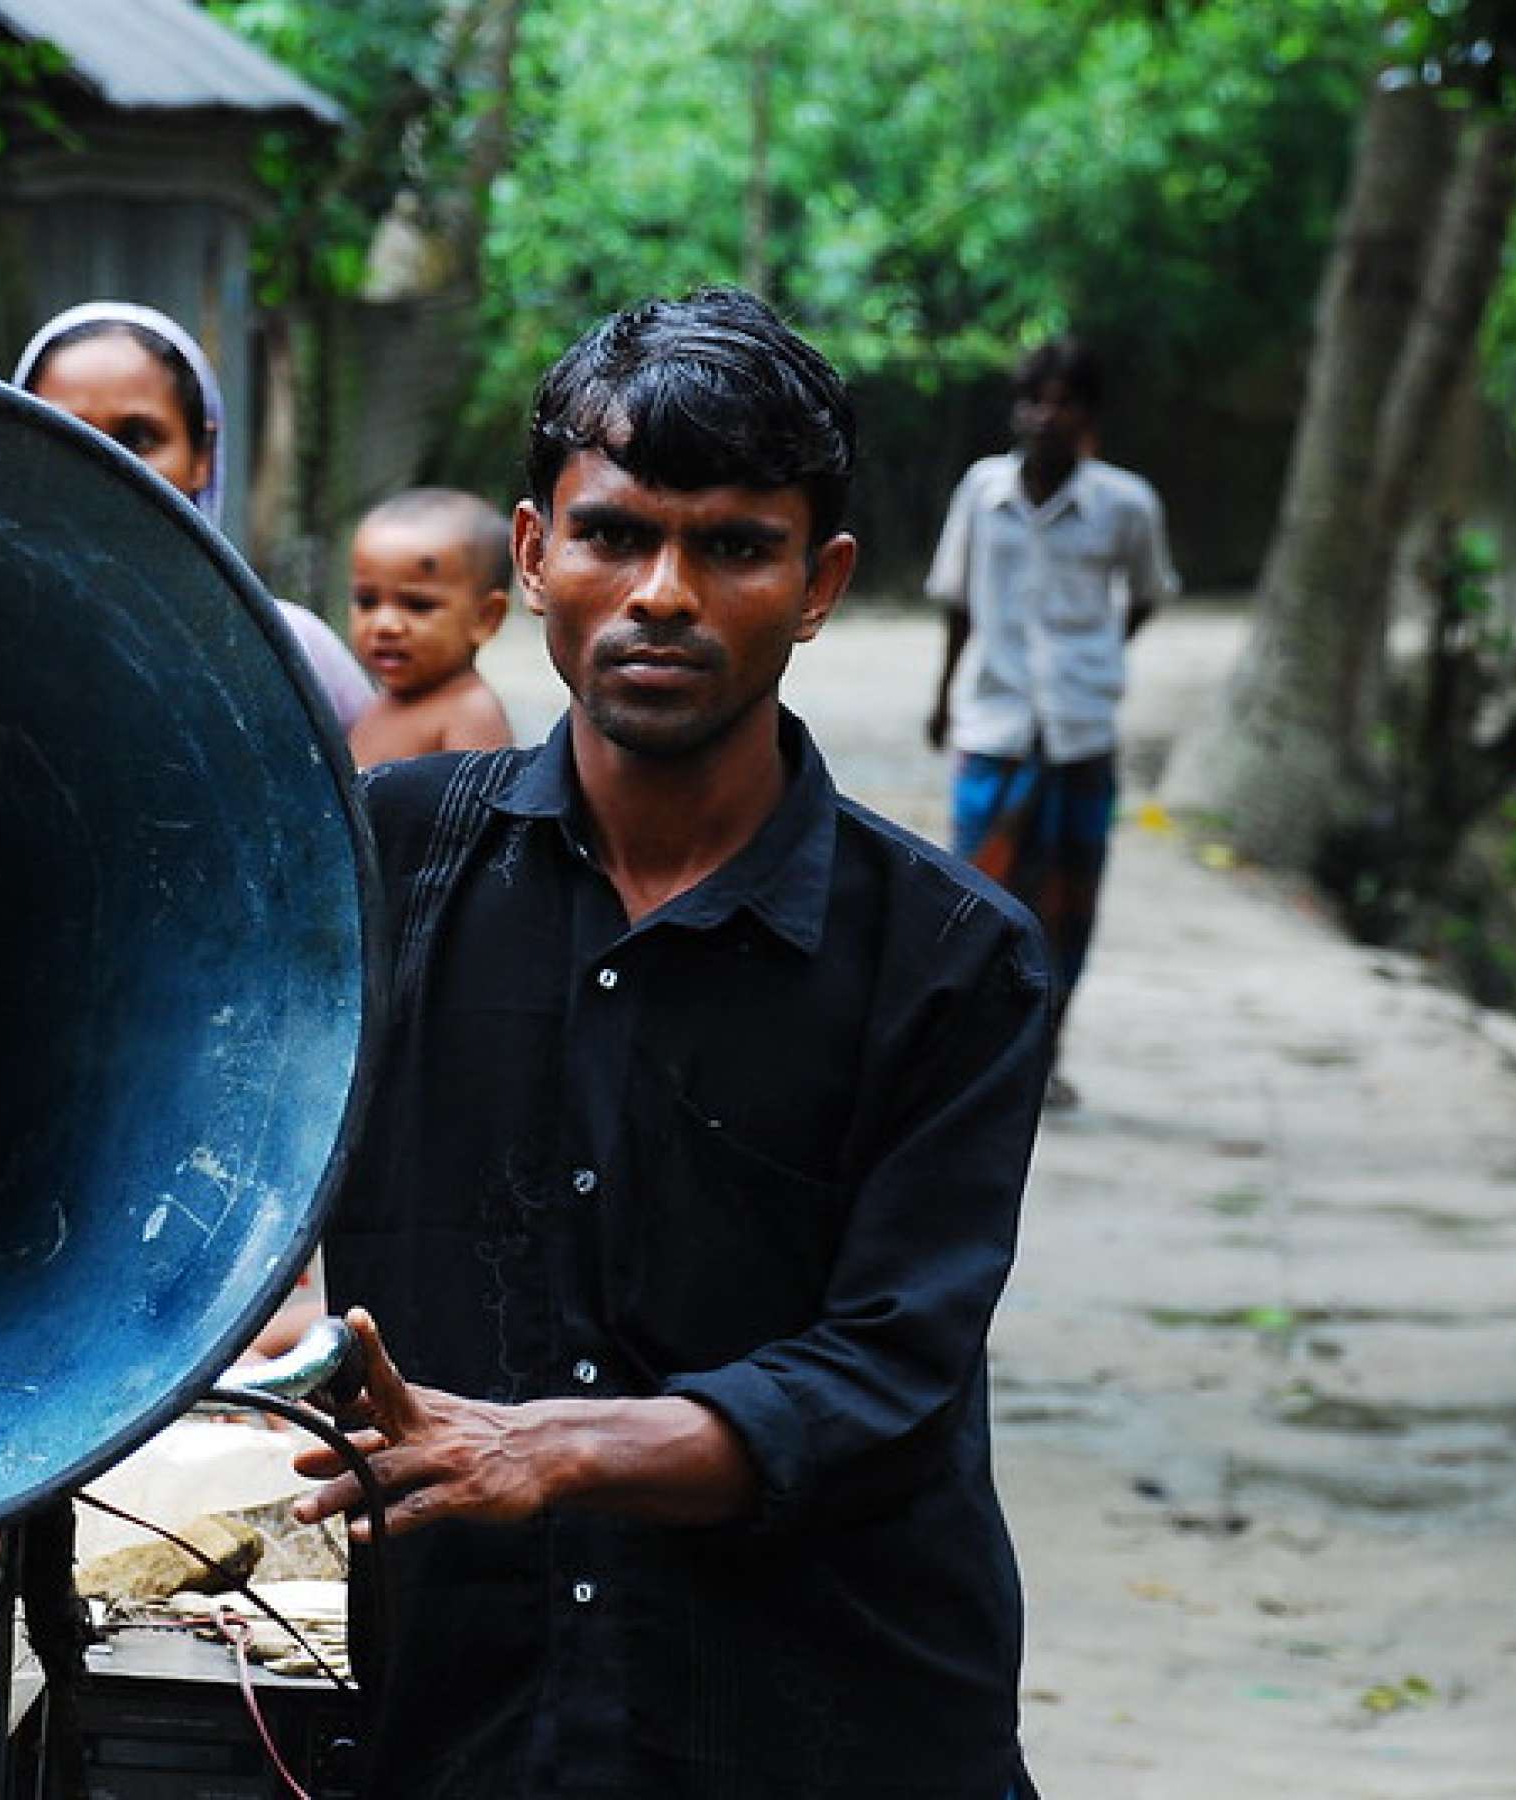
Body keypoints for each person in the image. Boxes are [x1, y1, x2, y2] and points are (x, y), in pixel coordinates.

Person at [293, 288, 1052, 1799]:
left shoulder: (954, 959)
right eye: (615, 535)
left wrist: (549, 1449)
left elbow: (888, 1377)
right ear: (531, 557)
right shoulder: (373, 870)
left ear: (822, 579)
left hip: (826, 1722)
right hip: (469, 1721)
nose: (662, 593)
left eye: (734, 546)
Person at [924, 337, 1178, 1109]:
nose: (1045, 415)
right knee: (976, 893)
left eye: (1063, 401)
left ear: (1089, 416)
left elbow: (1145, 592)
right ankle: (972, 1056)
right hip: (994, 726)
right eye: (1034, 400)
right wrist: (942, 699)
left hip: (1080, 733)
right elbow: (959, 601)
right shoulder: (983, 493)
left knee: (1068, 901)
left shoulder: (1125, 506)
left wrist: (1093, 661)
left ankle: (1048, 1050)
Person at [13, 301, 375, 733]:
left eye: (137, 437)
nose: (100, 462)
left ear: (201, 456)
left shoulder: (287, 650)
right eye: (63, 435)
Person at [347, 487, 516, 768]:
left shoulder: (470, 713)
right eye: (367, 601)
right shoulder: (380, 703)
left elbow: (478, 810)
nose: (385, 625)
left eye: (417, 605)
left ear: (485, 618)